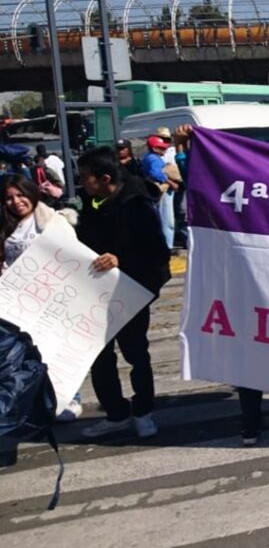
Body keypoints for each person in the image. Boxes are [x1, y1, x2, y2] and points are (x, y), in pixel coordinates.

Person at [77, 147, 171, 439]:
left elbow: (157, 253)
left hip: (131, 291)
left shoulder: (137, 204)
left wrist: (120, 259)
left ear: (105, 179)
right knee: (100, 357)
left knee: (135, 354)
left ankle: (143, 412)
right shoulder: (92, 202)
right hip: (95, 292)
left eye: (85, 177)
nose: (82, 183)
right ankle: (115, 413)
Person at [0, 174, 83, 420]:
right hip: (17, 303)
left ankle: (69, 400)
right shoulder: (6, 225)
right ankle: (38, 404)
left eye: (20, 195)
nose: (16, 202)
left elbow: (72, 257)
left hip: (51, 299)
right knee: (26, 355)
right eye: (9, 198)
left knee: (57, 352)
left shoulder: (54, 221)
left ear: (31, 193)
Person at [141, 132, 178, 251]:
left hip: (153, 189)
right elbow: (155, 173)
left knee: (160, 216)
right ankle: (168, 246)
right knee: (167, 218)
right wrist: (171, 182)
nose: (164, 149)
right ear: (154, 148)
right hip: (162, 189)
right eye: (161, 148)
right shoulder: (154, 159)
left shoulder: (148, 157)